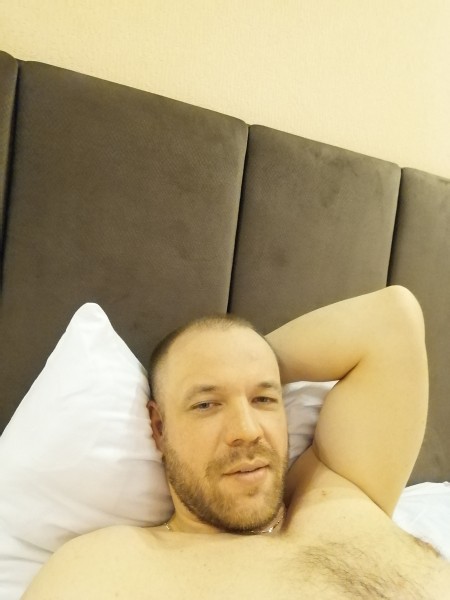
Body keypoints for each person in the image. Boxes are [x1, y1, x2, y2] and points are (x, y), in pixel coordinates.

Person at [22, 286, 450, 599]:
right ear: (159, 427)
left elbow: (392, 318)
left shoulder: (342, 485)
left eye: (264, 399)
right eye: (206, 405)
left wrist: (248, 357)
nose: (247, 430)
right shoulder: (113, 566)